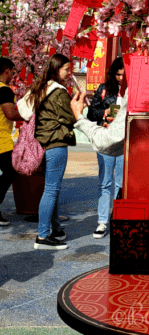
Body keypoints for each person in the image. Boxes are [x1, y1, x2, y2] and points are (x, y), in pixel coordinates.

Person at [17, 54, 81, 250]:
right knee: (52, 190)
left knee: (53, 188)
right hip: (55, 142)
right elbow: (71, 118)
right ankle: (43, 237)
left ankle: (56, 228)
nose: (69, 73)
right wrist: (79, 102)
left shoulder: (41, 88)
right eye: (66, 69)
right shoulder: (59, 92)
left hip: (42, 143)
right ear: (55, 69)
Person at [87, 57, 125, 238]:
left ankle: (118, 218)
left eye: (123, 75)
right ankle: (102, 221)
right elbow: (91, 112)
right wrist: (105, 113)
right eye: (117, 75)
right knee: (104, 182)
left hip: (125, 142)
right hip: (106, 140)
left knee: (121, 183)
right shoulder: (104, 89)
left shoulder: (132, 91)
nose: (120, 78)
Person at [0, 57, 22, 227]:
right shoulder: (5, 90)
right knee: (11, 171)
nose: (13, 75)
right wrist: (29, 115)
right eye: (13, 72)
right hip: (2, 141)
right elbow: (10, 114)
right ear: (6, 70)